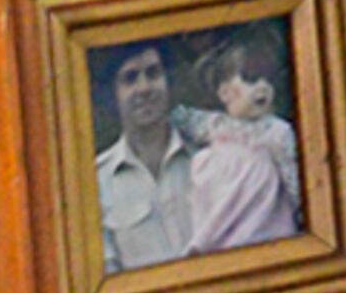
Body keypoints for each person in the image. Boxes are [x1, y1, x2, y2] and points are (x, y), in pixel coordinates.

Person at [92, 40, 204, 272]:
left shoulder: (205, 157)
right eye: (130, 78)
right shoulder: (97, 183)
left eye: (153, 73)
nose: (144, 88)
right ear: (113, 95)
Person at [186, 35, 304, 251]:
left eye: (268, 79)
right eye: (251, 79)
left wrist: (301, 214)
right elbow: (186, 119)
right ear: (224, 93)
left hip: (264, 220)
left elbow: (292, 179)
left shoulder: (276, 132)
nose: (263, 87)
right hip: (223, 215)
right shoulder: (216, 125)